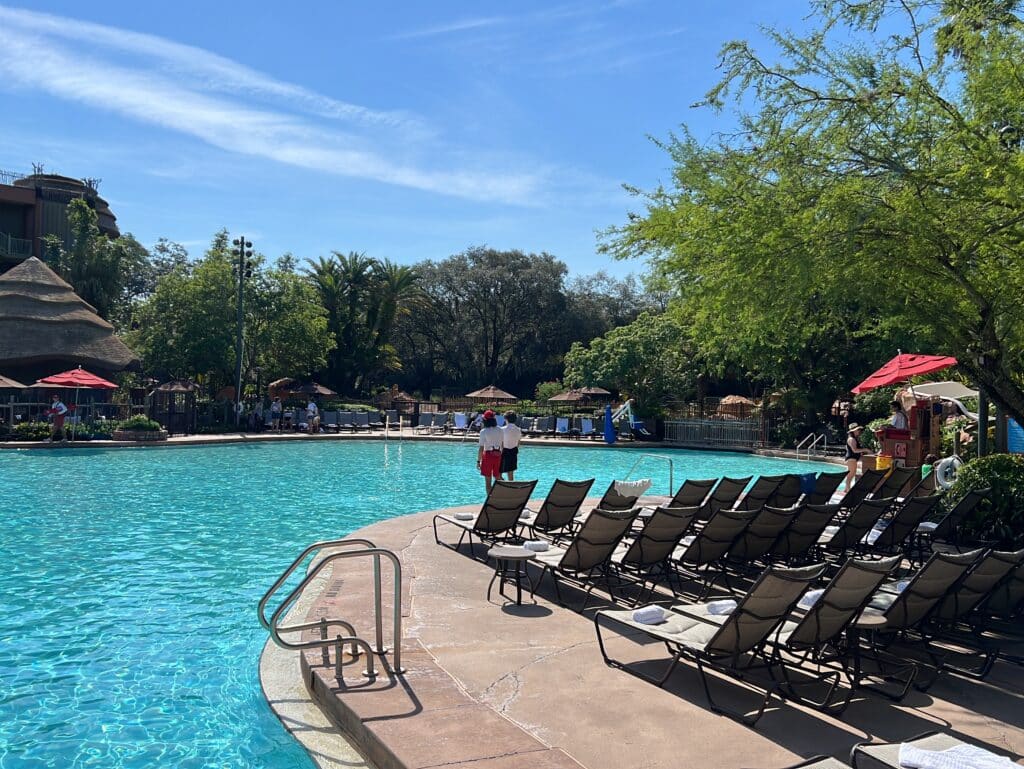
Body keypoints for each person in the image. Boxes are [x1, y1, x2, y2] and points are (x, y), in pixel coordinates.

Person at [476, 409, 503, 494]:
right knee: (499, 478)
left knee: (488, 483)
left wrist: (478, 461)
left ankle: (489, 502)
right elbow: (502, 444)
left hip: (488, 456)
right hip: (498, 455)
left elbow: (481, 448)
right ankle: (503, 496)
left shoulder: (484, 431)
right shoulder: (500, 430)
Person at [844, 423, 870, 492]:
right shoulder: (852, 439)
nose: (859, 431)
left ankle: (846, 489)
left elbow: (849, 449)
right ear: (854, 431)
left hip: (852, 459)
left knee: (851, 474)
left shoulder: (853, 439)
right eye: (858, 430)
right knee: (851, 474)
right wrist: (865, 449)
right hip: (851, 459)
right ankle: (847, 489)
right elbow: (854, 450)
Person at [500, 411, 523, 481]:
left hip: (504, 451)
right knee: (511, 475)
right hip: (513, 451)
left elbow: (501, 443)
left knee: (499, 473)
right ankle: (511, 489)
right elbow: (518, 442)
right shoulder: (518, 430)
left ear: (506, 419)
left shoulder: (502, 429)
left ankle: (500, 487)